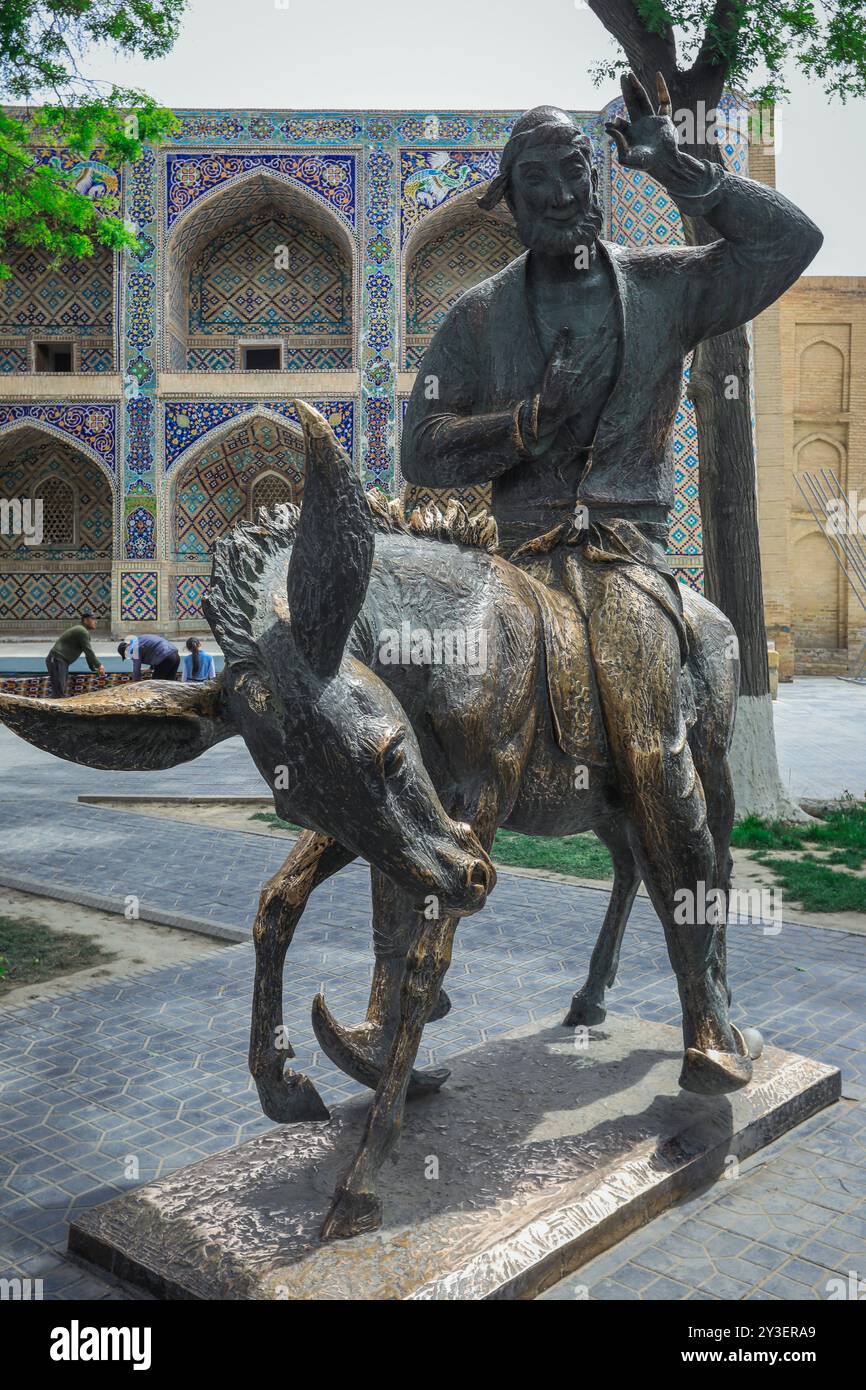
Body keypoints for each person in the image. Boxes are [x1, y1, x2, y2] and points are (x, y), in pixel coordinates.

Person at [401, 71, 823, 1088]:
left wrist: (688, 173)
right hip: (512, 567)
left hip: (619, 563)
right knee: (396, 740)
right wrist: (518, 429)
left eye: (576, 173)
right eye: (539, 180)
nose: (563, 195)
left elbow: (788, 245)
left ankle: (706, 1008)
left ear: (598, 177)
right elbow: (418, 445)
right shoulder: (474, 319)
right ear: (508, 199)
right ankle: (399, 998)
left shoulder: (666, 284)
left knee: (647, 743)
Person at [46, 612, 105, 698]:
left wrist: (93, 668)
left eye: (96, 619)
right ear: (85, 620)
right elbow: (89, 651)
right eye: (93, 619)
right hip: (56, 659)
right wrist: (99, 665)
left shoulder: (83, 631)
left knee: (60, 690)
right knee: (59, 692)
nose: (95, 622)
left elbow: (87, 652)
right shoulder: (82, 631)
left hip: (61, 661)